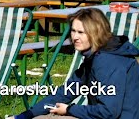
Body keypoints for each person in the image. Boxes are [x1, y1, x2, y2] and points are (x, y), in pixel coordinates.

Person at [11, 7, 139, 118]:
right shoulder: (94, 57)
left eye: (81, 32)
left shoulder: (107, 61)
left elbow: (109, 112)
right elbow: (65, 93)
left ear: (96, 33)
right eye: (73, 31)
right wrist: (25, 115)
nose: (75, 37)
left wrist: (69, 110)